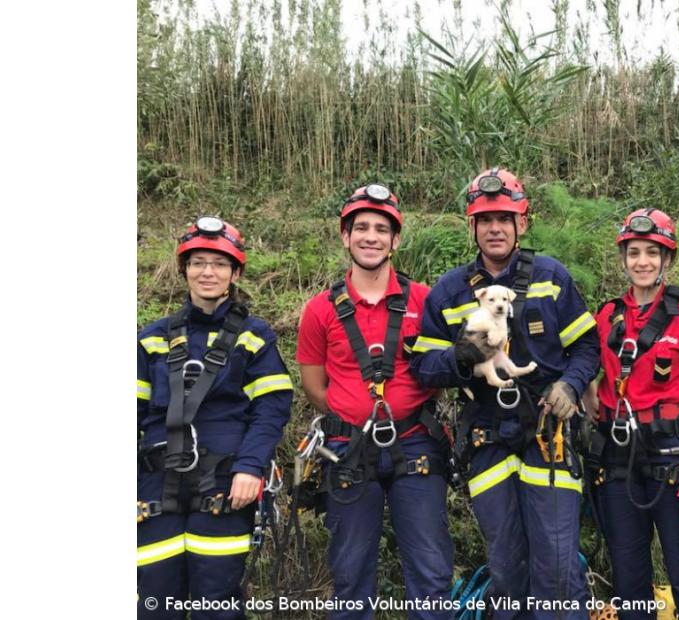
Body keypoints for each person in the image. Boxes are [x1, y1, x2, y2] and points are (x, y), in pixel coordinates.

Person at [410, 168, 600, 619]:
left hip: (546, 433)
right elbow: (421, 366)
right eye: (485, 218)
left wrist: (570, 385)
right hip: (486, 437)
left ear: (522, 223)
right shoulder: (450, 291)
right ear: (472, 225)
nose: (495, 227)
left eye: (505, 218)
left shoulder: (552, 277)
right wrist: (461, 357)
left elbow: (587, 346)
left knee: (555, 565)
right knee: (506, 567)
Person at [296, 184, 454, 619]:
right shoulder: (320, 310)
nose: (371, 236)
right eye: (360, 228)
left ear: (395, 240)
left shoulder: (425, 300)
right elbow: (314, 385)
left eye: (381, 229)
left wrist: (405, 406)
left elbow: (438, 372)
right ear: (345, 237)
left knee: (431, 570)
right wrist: (351, 413)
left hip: (416, 444)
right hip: (348, 449)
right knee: (350, 572)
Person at [137, 217, 293, 619]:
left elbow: (271, 409)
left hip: (225, 485)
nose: (208, 272)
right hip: (154, 489)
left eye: (219, 263)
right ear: (184, 270)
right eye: (198, 262)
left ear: (235, 272)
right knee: (155, 604)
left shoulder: (255, 337)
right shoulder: (151, 338)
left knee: (217, 605)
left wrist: (250, 467)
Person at [579, 208, 679, 619]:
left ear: (668, 259)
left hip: (674, 458)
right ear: (623, 258)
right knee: (629, 582)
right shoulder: (607, 316)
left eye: (652, 252)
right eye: (634, 252)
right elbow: (586, 361)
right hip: (617, 457)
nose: (642, 261)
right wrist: (590, 387)